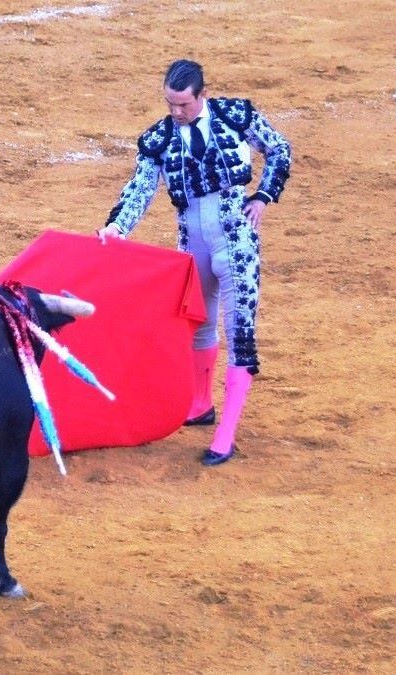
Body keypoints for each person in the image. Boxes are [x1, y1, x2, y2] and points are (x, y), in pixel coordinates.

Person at [98, 59, 291, 466]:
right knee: (198, 324)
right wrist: (117, 226)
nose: (176, 112)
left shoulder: (237, 117)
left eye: (183, 104)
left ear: (202, 95)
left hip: (236, 240)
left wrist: (263, 196)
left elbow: (279, 148)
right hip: (193, 245)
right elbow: (140, 188)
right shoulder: (159, 138)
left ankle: (227, 433)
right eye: (170, 103)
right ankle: (201, 404)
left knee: (239, 333)